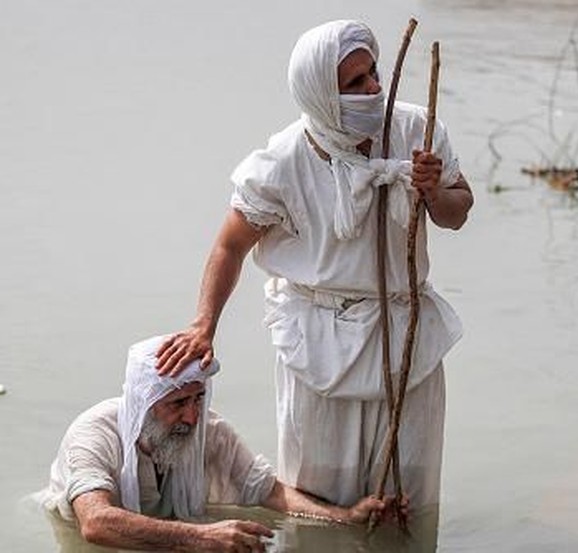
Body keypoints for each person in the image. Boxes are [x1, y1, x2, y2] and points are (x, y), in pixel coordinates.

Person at [156, 19, 473, 512]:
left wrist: (433, 189)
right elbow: (229, 246)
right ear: (322, 95)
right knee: (320, 497)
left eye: (374, 74)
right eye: (355, 84)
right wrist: (204, 325)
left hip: (408, 330)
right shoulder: (282, 161)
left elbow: (457, 212)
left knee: (409, 496)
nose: (374, 89)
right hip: (318, 340)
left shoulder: (415, 129)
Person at [32, 335, 399, 552]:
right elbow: (95, 523)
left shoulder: (207, 430)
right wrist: (200, 538)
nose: (192, 418)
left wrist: (344, 518)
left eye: (197, 401)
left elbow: (269, 492)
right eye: (177, 403)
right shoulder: (93, 432)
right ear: (143, 403)